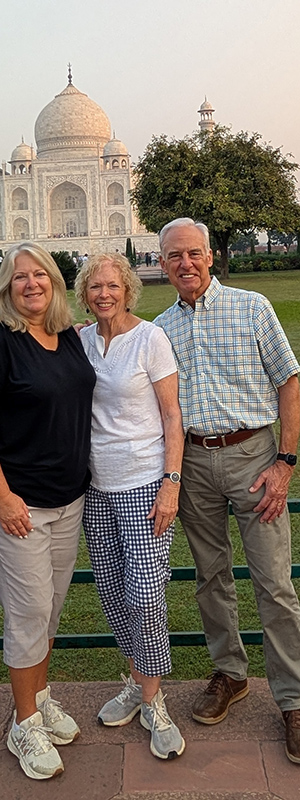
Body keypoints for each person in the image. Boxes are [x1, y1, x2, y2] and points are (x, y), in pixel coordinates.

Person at [155, 217, 300, 764]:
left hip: (253, 456)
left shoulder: (252, 307)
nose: (185, 264)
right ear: (163, 263)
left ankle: (293, 697)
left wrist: (285, 463)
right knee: (210, 576)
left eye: (193, 253)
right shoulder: (161, 327)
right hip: (193, 462)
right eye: (174, 256)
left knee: (273, 582)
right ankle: (230, 672)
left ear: (210, 256)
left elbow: (289, 382)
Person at [0, 241, 96, 780]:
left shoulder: (65, 337)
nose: (32, 284)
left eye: (40, 274)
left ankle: (39, 699)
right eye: (20, 277)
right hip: (18, 501)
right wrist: (1, 497)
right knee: (28, 612)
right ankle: (23, 724)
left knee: (52, 607)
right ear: (6, 288)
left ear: (56, 283)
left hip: (67, 498)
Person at [74, 253, 186, 760]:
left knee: (146, 595)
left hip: (143, 483)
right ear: (84, 292)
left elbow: (171, 415)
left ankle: (153, 699)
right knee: (116, 593)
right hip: (96, 486)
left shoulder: (150, 339)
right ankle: (140, 683)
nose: (104, 294)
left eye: (112, 285)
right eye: (95, 286)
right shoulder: (81, 341)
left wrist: (171, 482)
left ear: (128, 288)